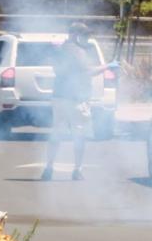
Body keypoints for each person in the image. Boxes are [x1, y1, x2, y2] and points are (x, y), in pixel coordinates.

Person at [42, 22, 111, 181]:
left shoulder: (60, 50)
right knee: (79, 135)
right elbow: (88, 71)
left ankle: (49, 168)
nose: (87, 38)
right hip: (76, 100)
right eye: (84, 35)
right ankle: (77, 170)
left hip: (59, 98)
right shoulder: (77, 51)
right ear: (75, 35)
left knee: (56, 134)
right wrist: (107, 66)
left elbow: (56, 69)